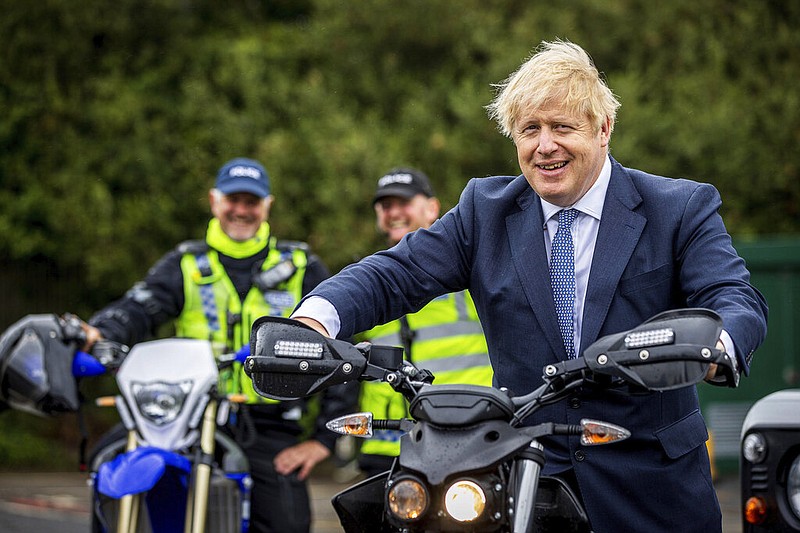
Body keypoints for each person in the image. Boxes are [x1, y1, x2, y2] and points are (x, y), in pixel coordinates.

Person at [289, 41, 768, 532]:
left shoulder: (679, 207)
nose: (545, 145)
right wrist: (314, 319)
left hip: (654, 488)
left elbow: (733, 295)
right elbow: (396, 272)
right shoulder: (484, 210)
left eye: (562, 127)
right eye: (530, 130)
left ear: (604, 130)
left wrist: (717, 346)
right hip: (528, 488)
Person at [83, 157, 354, 533]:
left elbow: (343, 348)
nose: (241, 210)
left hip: (268, 426)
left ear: (267, 205)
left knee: (286, 522)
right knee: (105, 468)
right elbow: (136, 309)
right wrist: (99, 334)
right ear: (214, 201)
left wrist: (324, 440)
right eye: (233, 200)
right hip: (185, 416)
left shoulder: (300, 264)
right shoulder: (186, 262)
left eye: (251, 201)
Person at [355, 168, 492, 477]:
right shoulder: (370, 281)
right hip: (386, 445)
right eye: (385, 205)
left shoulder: (469, 274)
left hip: (464, 435)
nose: (393, 212)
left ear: (432, 208)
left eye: (403, 202)